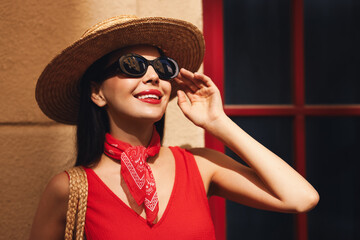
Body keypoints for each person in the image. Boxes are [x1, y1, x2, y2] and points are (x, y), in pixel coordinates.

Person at [29, 15, 319, 239]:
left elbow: (300, 198)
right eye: (133, 66)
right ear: (97, 93)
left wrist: (218, 122)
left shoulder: (201, 165)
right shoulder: (69, 189)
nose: (153, 77)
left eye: (163, 68)